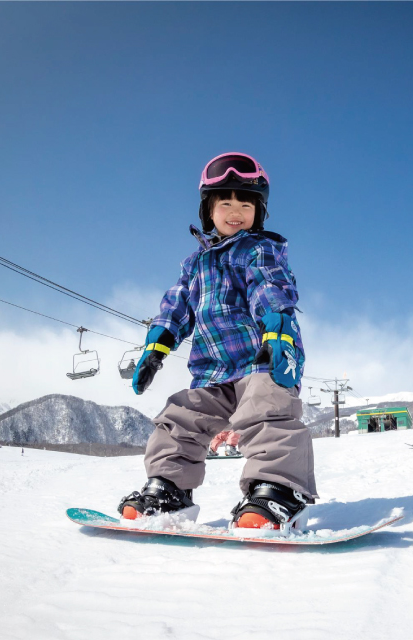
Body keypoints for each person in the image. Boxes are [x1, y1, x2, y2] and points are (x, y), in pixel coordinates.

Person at [118, 152, 317, 530]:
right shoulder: (194, 264)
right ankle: (169, 489)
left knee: (269, 410)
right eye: (225, 203)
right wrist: (156, 347)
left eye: (246, 203)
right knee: (179, 417)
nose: (235, 211)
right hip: (212, 372)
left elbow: (270, 287)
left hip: (263, 360)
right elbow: (177, 306)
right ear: (208, 210)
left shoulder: (261, 250)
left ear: (259, 211)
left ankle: (279, 490)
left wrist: (277, 328)